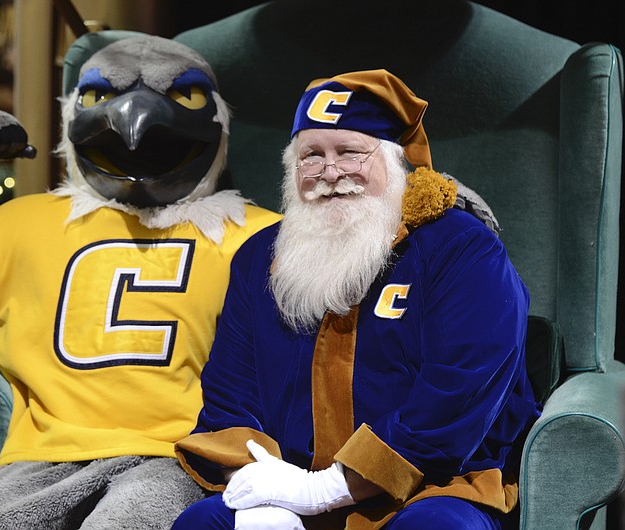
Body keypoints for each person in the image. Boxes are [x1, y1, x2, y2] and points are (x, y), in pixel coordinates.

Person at [0, 36, 280, 529]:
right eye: (97, 97)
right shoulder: (25, 222)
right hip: (41, 454)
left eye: (183, 96)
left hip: (180, 455)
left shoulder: (257, 236)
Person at [171, 69, 541, 530]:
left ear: (394, 162)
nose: (330, 173)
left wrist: (326, 490)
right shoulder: (257, 260)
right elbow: (230, 394)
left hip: (431, 486)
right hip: (286, 482)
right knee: (203, 524)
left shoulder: (461, 248)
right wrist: (263, 485)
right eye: (311, 157)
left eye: (349, 152)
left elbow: (459, 392)